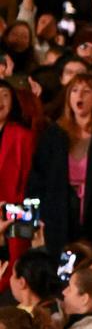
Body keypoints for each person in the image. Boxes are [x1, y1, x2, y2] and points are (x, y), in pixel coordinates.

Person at [26, 73, 92, 255]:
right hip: (59, 214)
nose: (80, 96)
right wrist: (37, 215)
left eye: (86, 91)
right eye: (75, 91)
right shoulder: (55, 134)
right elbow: (38, 177)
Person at [0, 80, 36, 292]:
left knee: (12, 271)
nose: (0, 101)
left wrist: (12, 210)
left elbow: (29, 182)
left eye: (5, 95)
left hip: (14, 210)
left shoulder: (23, 136)